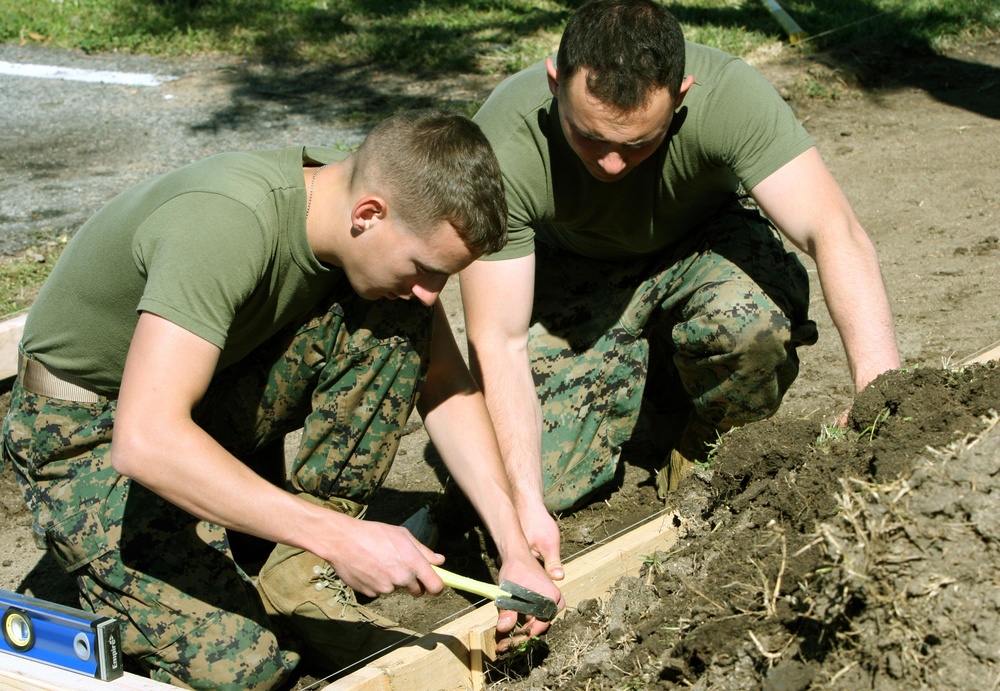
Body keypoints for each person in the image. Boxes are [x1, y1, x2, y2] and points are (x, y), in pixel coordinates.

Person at [2, 109, 563, 690]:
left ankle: (292, 568)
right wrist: (337, 534)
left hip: (204, 390)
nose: (431, 293)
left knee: (401, 321)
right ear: (369, 214)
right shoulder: (226, 224)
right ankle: (93, 571)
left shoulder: (355, 200)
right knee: (249, 666)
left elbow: (443, 381)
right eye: (426, 269)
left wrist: (513, 545)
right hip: (86, 427)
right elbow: (143, 440)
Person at [461, 0, 900, 568]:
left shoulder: (730, 95)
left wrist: (881, 389)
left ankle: (709, 445)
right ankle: (647, 384)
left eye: (639, 143)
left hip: (703, 245)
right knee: (531, 483)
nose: (613, 165)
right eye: (591, 137)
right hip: (577, 271)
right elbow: (499, 339)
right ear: (554, 80)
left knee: (750, 328)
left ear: (683, 93)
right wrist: (522, 503)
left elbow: (833, 231)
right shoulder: (503, 137)